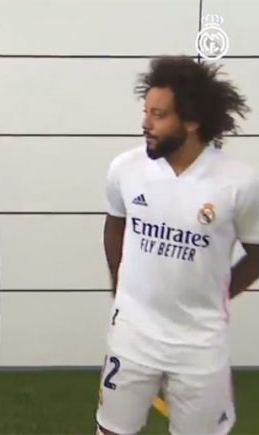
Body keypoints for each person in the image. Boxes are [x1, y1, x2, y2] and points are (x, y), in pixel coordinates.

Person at [96, 56, 259, 435]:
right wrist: (121, 289)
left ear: (191, 121)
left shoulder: (239, 184)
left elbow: (258, 254)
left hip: (200, 344)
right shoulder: (126, 168)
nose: (145, 123)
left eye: (159, 115)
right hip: (132, 335)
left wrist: (221, 292)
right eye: (146, 111)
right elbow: (114, 228)